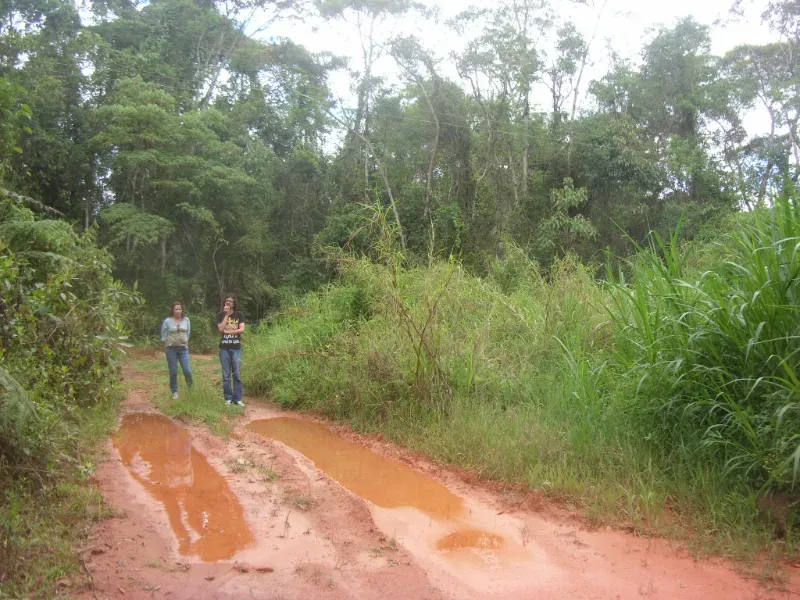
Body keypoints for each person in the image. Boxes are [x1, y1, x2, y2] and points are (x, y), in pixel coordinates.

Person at [216, 294, 246, 406]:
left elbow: (242, 329)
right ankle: (228, 398)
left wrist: (230, 332)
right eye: (226, 301)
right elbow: (220, 328)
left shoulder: (239, 315)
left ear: (234, 303)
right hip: (224, 348)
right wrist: (226, 315)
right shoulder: (220, 315)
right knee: (226, 375)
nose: (228, 302)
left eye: (230, 301)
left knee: (237, 374)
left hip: (236, 348)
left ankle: (237, 399)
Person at [161, 301, 193, 399]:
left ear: (182, 310)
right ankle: (174, 392)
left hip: (183, 349)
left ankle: (191, 389)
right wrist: (166, 344)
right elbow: (164, 334)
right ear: (172, 310)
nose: (178, 311)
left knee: (187, 370)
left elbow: (188, 333)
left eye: (180, 309)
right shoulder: (167, 321)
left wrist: (184, 341)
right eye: (176, 309)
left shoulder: (186, 320)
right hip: (171, 349)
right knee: (173, 371)